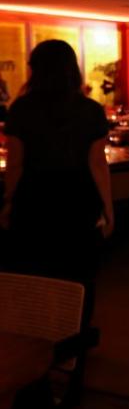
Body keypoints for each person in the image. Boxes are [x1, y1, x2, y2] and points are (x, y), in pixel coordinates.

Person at [0, 39, 113, 282]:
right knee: (78, 272)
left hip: (34, 197)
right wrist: (108, 207)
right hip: (79, 198)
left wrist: (9, 201)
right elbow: (97, 164)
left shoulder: (21, 108)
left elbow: (16, 163)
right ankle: (77, 319)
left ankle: (44, 320)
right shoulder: (91, 109)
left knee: (37, 272)